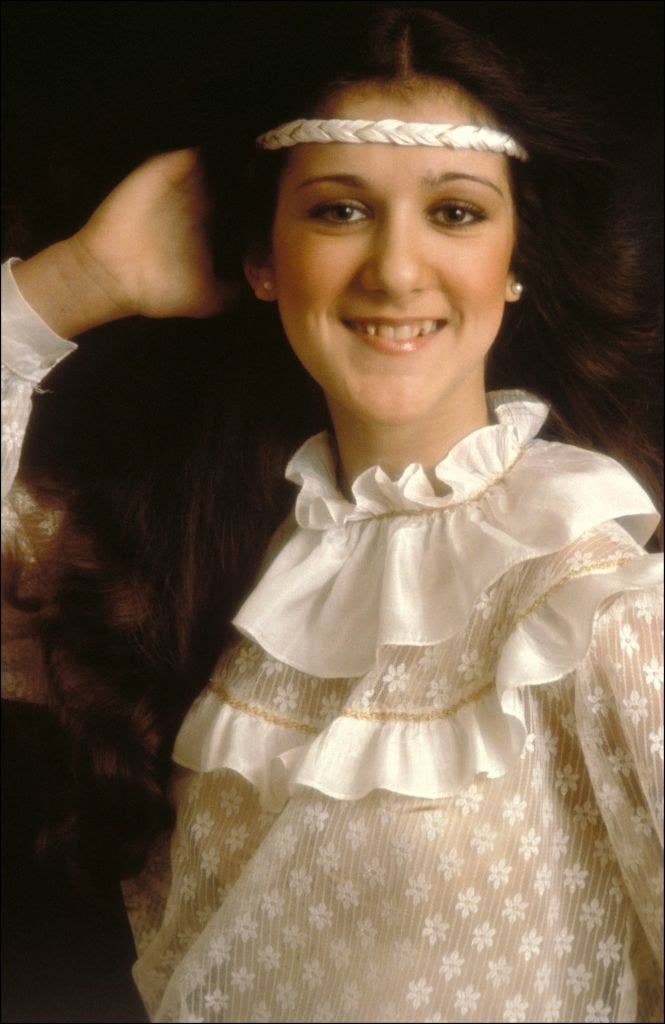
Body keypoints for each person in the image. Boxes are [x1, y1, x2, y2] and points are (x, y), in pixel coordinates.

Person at [2, 5, 662, 1022]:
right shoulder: (194, 567)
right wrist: (77, 283)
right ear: (260, 259)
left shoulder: (598, 604)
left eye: (454, 212)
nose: (396, 271)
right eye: (336, 211)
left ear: (516, 259)